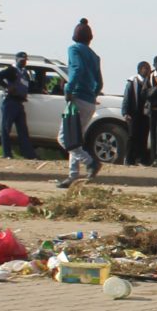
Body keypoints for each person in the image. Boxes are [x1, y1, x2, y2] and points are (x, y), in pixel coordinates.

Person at [57, 20, 104, 187]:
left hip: (77, 99)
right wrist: (93, 94)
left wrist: (69, 88)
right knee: (75, 139)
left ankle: (90, 162)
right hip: (89, 101)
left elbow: (76, 69)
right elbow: (99, 82)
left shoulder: (74, 49)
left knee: (64, 139)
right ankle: (73, 176)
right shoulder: (94, 56)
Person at [0, 50, 35, 159]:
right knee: (6, 129)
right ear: (17, 60)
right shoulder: (11, 70)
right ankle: (7, 154)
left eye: (25, 60)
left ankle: (29, 155)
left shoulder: (24, 72)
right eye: (22, 60)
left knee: (23, 130)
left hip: (19, 103)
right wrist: (7, 87)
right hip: (10, 102)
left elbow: (28, 85)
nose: (24, 62)